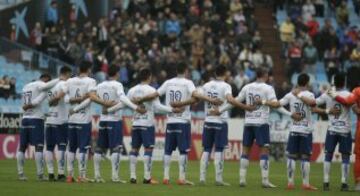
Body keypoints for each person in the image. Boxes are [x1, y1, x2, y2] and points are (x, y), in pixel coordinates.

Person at [133, 63, 222, 185]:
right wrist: (211, 100)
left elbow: (155, 94)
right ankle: (181, 178)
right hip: (183, 121)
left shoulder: (168, 82)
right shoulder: (188, 83)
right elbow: (195, 95)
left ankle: (166, 177)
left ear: (176, 71)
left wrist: (140, 100)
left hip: (170, 121)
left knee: (168, 150)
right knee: (183, 151)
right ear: (186, 71)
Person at [219, 67, 280, 188]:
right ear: (265, 75)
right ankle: (265, 180)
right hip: (261, 123)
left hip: (248, 123)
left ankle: (242, 179)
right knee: (264, 150)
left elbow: (234, 101)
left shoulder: (247, 87)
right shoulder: (268, 88)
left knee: (246, 150)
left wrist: (220, 110)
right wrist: (263, 102)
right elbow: (276, 104)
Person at [196, 65, 255, 186]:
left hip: (208, 121)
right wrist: (245, 107)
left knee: (206, 149)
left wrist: (209, 100)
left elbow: (197, 94)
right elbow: (230, 100)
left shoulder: (207, 85)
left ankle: (202, 177)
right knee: (219, 149)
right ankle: (218, 179)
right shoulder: (226, 86)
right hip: (220, 121)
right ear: (224, 73)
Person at [125, 68, 183, 185]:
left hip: (135, 123)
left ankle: (132, 176)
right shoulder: (151, 90)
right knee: (148, 149)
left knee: (134, 149)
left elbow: (128, 104)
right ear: (149, 77)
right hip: (147, 124)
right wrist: (172, 110)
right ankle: (147, 177)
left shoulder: (131, 90)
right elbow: (158, 107)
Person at [87, 65, 145, 183]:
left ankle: (97, 175)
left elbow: (92, 96)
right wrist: (135, 107)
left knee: (99, 148)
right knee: (116, 148)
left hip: (103, 120)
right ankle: (114, 176)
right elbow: (123, 99)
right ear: (117, 73)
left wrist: (104, 103)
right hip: (114, 120)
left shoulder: (100, 85)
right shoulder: (118, 85)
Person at [312, 73, 352, 191]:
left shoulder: (327, 94)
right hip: (345, 129)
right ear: (344, 82)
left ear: (334, 82)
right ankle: (344, 183)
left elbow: (313, 104)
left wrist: (327, 110)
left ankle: (326, 182)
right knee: (345, 156)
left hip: (332, 129)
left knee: (328, 155)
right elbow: (355, 108)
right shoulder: (349, 95)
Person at [17, 74, 60, 180]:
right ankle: (40, 175)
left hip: (25, 118)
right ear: (45, 79)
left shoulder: (26, 86)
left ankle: (21, 174)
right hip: (36, 119)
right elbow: (38, 101)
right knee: (39, 147)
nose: (46, 85)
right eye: (47, 82)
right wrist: (59, 79)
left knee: (22, 147)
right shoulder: (41, 84)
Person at [279, 73, 318, 190]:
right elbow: (313, 105)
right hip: (306, 130)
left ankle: (290, 183)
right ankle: (305, 184)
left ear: (298, 82)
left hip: (294, 129)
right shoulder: (310, 94)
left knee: (291, 156)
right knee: (305, 157)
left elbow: (277, 105)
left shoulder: (291, 94)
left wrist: (290, 114)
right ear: (307, 83)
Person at [64, 61, 96, 183]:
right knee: (83, 148)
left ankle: (69, 175)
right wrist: (80, 101)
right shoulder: (91, 81)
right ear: (88, 69)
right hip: (83, 120)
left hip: (71, 119)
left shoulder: (70, 81)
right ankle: (82, 176)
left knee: (71, 148)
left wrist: (74, 104)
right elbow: (89, 99)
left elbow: (66, 99)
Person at [329, 80, 360, 191]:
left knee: (359, 156)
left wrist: (334, 95)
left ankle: (358, 183)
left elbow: (347, 102)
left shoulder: (357, 91)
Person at [44, 66, 72, 181]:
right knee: (61, 146)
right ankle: (60, 173)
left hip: (49, 119)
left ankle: (50, 173)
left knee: (49, 147)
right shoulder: (63, 84)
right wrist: (54, 100)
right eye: (70, 74)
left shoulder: (50, 84)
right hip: (61, 120)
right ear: (67, 73)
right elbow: (62, 95)